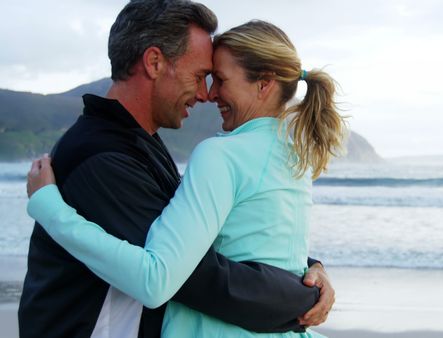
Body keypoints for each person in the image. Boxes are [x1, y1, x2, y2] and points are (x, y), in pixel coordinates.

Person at [19, 2, 334, 338]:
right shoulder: (102, 157)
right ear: (155, 62)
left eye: (214, 79)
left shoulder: (141, 144)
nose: (205, 94)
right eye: (200, 76)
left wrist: (311, 268)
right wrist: (302, 295)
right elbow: (194, 278)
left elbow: (215, 232)